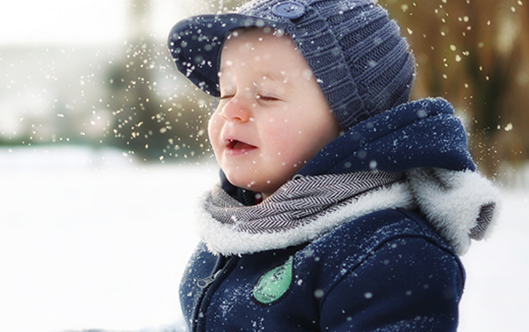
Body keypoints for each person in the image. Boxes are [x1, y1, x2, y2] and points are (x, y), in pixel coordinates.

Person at [167, 0, 500, 331]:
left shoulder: (388, 255)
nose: (230, 110)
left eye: (267, 95)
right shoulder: (237, 225)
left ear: (351, 127)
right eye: (225, 93)